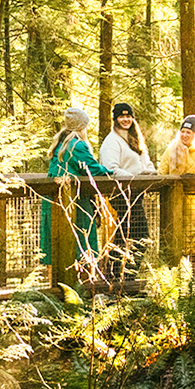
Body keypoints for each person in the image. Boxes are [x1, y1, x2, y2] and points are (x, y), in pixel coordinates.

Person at [38, 107, 107, 271]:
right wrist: (111, 172)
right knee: (81, 243)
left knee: (57, 243)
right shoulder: (77, 145)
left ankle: (57, 287)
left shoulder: (61, 143)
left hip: (55, 200)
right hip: (74, 202)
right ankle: (81, 287)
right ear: (81, 126)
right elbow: (93, 169)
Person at [97, 102, 153, 280]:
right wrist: (132, 179)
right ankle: (123, 276)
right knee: (141, 235)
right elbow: (110, 168)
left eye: (128, 116)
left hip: (135, 193)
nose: (125, 119)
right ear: (115, 119)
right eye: (121, 116)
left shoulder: (134, 137)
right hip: (121, 193)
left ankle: (117, 276)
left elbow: (145, 163)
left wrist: (152, 174)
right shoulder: (111, 141)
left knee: (125, 235)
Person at [160, 114, 195, 267]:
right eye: (183, 132)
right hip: (172, 199)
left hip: (193, 199)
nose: (185, 135)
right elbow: (161, 173)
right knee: (172, 232)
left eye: (189, 132)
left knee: (192, 232)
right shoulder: (171, 150)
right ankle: (171, 270)